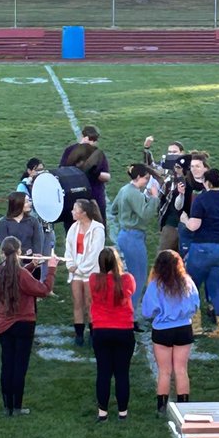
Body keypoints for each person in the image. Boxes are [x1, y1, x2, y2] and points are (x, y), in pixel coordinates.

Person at [0, 236, 58, 416]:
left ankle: (7, 407)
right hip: (24, 324)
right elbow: (43, 290)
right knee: (20, 366)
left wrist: (32, 266)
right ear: (19, 252)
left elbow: (17, 279)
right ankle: (18, 407)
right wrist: (51, 269)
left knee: (7, 364)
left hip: (4, 324)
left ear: (1, 252)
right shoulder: (22, 275)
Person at [141, 249, 200, 416]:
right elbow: (196, 305)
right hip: (183, 329)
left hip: (162, 330)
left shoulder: (155, 284)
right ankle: (184, 406)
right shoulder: (187, 282)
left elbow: (147, 311)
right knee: (181, 369)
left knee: (164, 371)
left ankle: (161, 406)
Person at [181, 167, 219, 339]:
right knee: (216, 291)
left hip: (203, 248)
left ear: (207, 182)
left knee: (193, 289)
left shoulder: (202, 198)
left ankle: (196, 326)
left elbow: (194, 226)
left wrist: (184, 219)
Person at [89, 247, 136, 422]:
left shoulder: (94, 280)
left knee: (103, 372)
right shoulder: (127, 279)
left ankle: (103, 413)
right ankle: (122, 413)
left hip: (101, 330)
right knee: (122, 373)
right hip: (124, 330)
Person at [108, 164, 158, 317]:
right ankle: (131, 315)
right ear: (138, 177)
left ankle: (127, 311)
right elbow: (145, 215)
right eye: (146, 178)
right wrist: (154, 198)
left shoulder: (124, 189)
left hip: (124, 234)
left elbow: (114, 209)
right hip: (133, 237)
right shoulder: (134, 193)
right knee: (138, 277)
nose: (147, 182)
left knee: (130, 276)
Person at [64, 198, 106, 345]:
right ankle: (79, 335)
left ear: (83, 213)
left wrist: (80, 269)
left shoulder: (97, 229)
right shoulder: (73, 228)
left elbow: (95, 254)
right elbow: (68, 248)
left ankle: (94, 334)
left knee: (90, 303)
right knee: (77, 302)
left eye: (75, 209)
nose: (72, 212)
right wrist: (70, 264)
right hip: (76, 271)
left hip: (90, 272)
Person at [60, 126, 111, 220]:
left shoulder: (97, 154)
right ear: (83, 137)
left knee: (98, 228)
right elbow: (61, 172)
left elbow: (107, 177)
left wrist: (95, 173)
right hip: (75, 198)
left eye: (93, 139)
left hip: (95, 197)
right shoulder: (70, 151)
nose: (90, 142)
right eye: (88, 138)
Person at [0, 192, 44, 270]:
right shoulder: (3, 223)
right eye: (26, 202)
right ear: (17, 204)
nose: (30, 203)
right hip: (12, 262)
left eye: (29, 201)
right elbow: (4, 243)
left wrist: (36, 256)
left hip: (31, 261)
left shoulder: (33, 221)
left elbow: (37, 240)